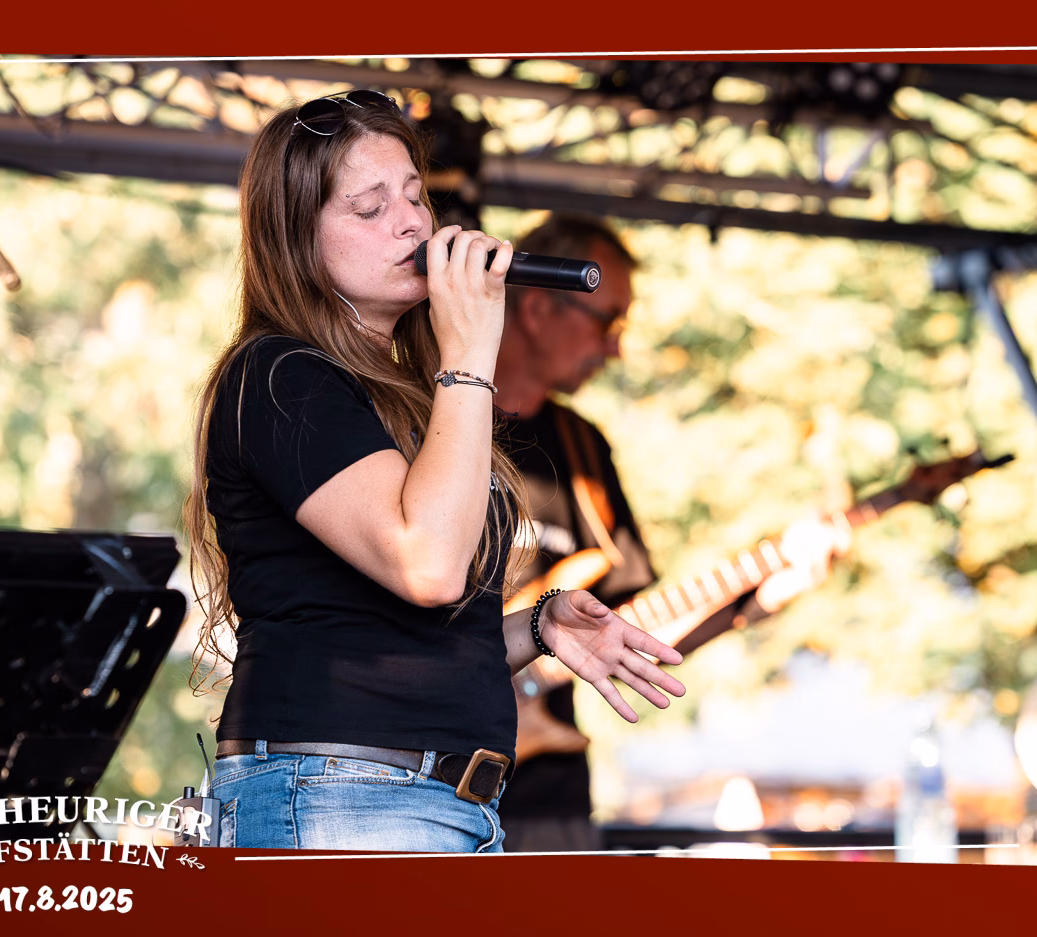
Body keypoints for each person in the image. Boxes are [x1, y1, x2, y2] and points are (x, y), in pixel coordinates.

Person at [180, 91, 685, 854]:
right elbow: (427, 565)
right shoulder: (280, 374)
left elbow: (416, 635)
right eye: (370, 207)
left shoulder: (411, 396)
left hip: (438, 801)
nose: (413, 224)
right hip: (337, 796)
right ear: (295, 236)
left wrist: (537, 627)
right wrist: (471, 352)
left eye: (416, 197)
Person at [491, 215, 847, 852]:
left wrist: (764, 596)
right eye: (607, 321)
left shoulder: (582, 448)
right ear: (539, 309)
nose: (615, 349)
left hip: (546, 798)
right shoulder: (424, 419)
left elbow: (635, 631)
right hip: (423, 784)